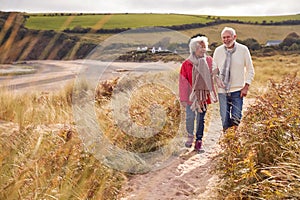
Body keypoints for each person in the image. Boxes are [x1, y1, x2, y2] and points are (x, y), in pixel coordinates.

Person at [179, 35, 217, 152]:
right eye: (200, 47)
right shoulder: (187, 64)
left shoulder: (209, 61)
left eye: (204, 47)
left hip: (203, 97)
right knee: (190, 118)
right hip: (191, 97)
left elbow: (214, 77)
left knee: (201, 119)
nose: (203, 49)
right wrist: (183, 99)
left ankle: (198, 141)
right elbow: (183, 82)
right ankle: (190, 136)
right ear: (194, 49)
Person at [212, 27, 255, 132]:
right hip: (222, 91)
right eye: (223, 38)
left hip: (237, 91)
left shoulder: (243, 50)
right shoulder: (218, 51)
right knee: (225, 121)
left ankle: (233, 141)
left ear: (234, 37)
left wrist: (246, 86)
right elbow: (214, 69)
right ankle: (228, 142)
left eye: (228, 37)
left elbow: (250, 70)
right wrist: (216, 79)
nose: (226, 40)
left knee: (236, 119)